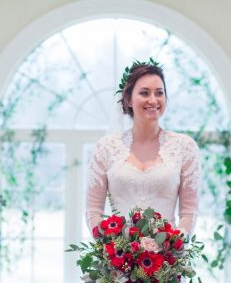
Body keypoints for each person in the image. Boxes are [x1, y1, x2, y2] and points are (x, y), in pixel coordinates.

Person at [85, 59, 201, 236]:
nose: (153, 100)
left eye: (159, 93)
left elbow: (188, 213)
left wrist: (172, 247)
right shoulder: (106, 148)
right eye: (144, 93)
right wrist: (112, 248)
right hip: (118, 258)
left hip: (168, 259)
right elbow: (93, 211)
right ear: (128, 100)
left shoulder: (184, 147)